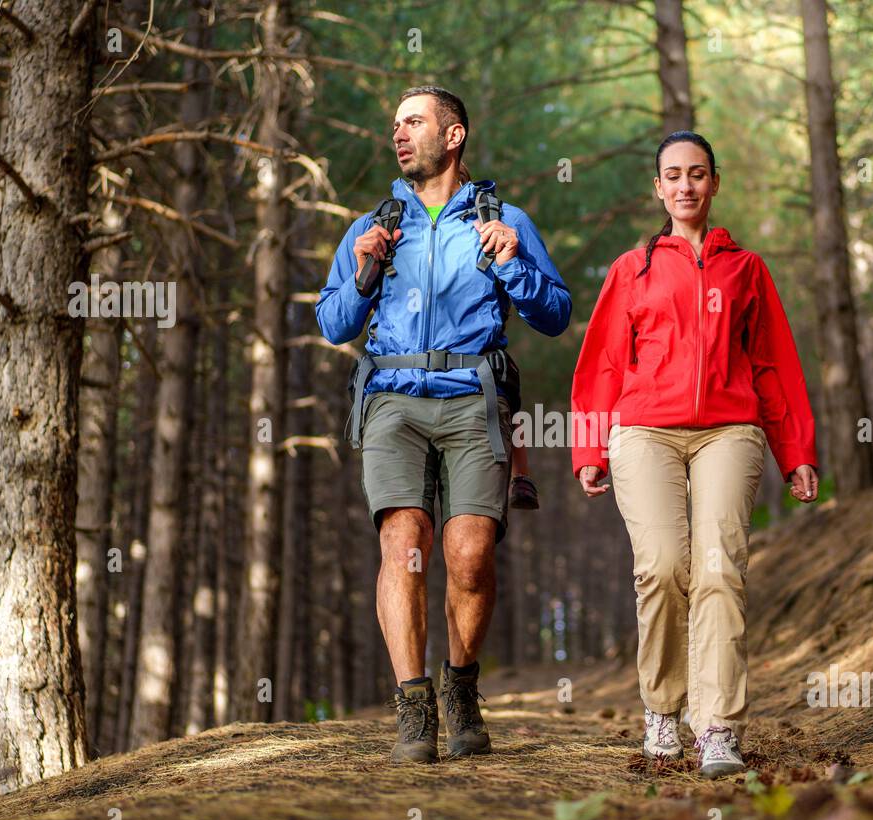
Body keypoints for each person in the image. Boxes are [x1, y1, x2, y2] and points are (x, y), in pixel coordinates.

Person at [316, 86, 572, 763]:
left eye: (414, 122)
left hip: (472, 397)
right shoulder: (374, 224)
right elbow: (334, 322)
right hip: (392, 397)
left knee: (469, 553)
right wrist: (365, 271)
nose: (399, 135)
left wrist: (515, 263)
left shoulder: (502, 217)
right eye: (394, 125)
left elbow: (554, 315)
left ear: (453, 136)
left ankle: (461, 685)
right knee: (404, 539)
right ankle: (413, 704)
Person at [570, 131, 819, 779]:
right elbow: (601, 363)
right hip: (644, 429)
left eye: (698, 174)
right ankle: (662, 707)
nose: (686, 186)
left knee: (719, 571)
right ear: (658, 188)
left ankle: (717, 728)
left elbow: (773, 366)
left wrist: (797, 452)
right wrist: (589, 445)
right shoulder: (634, 268)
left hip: (728, 431)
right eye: (673, 175)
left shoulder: (747, 269)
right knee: (662, 566)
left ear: (715, 183)